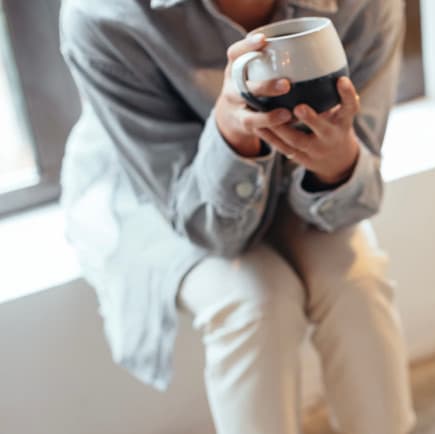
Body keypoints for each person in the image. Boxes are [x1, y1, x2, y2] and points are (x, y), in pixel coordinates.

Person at [58, 0, 414, 433]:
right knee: (256, 303)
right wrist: (230, 139)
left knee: (358, 282)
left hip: (298, 185)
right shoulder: (105, 16)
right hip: (153, 195)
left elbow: (356, 192)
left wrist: (338, 161)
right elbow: (205, 227)